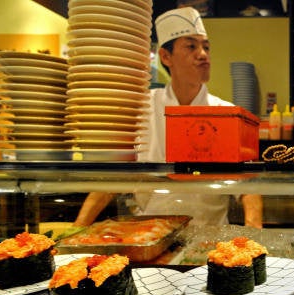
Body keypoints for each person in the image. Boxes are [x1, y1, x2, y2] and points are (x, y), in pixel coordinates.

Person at [74, 7, 263, 228]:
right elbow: (113, 179)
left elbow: (249, 188)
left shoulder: (226, 113)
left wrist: (254, 232)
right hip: (150, 234)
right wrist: (77, 228)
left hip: (209, 239)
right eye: (191, 46)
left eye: (206, 47)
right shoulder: (141, 109)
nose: (203, 54)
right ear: (166, 56)